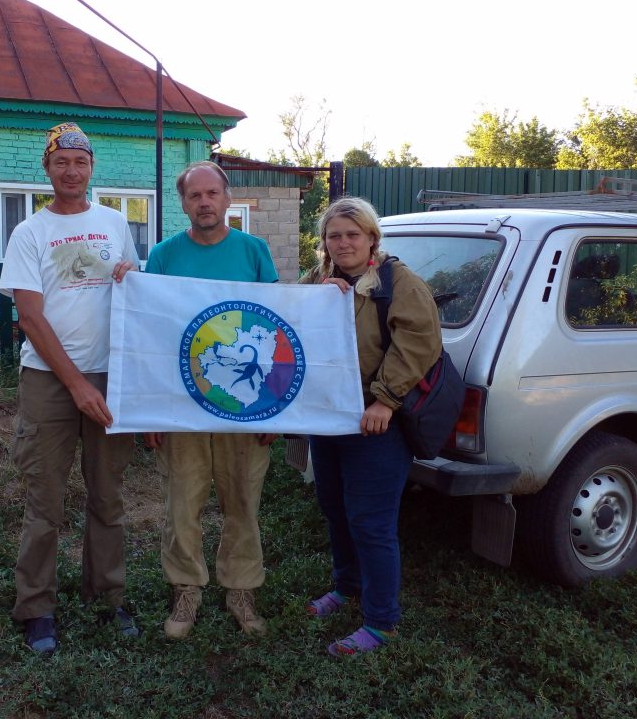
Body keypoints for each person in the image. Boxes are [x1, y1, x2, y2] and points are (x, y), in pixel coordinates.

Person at [0, 122, 141, 656]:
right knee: (45, 503)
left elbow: (131, 291)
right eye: (62, 162)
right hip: (49, 381)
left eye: (80, 162)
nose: (72, 171)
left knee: (108, 497)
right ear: (48, 168)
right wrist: (77, 384)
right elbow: (31, 318)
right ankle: (36, 608)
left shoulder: (114, 223)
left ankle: (107, 597)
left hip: (110, 376)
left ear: (91, 167)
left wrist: (128, 273)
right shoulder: (29, 233)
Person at [299, 196, 441, 656]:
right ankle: (347, 586)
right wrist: (315, 301)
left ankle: (381, 621)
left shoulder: (399, 283)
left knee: (371, 522)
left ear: (371, 238)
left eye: (352, 234)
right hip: (329, 417)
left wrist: (384, 400)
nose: (343, 243)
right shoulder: (317, 280)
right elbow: (290, 324)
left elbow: (418, 343)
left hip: (375, 421)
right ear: (324, 242)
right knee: (335, 507)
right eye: (334, 236)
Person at [144, 160, 279, 639]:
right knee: (183, 502)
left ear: (227, 199)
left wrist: (273, 410)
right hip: (181, 404)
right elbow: (150, 334)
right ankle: (186, 589)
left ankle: (241, 589)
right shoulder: (163, 255)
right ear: (183, 203)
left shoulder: (254, 251)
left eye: (212, 193)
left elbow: (273, 329)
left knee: (242, 499)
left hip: (243, 403)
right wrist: (152, 410)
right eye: (194, 195)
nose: (204, 202)